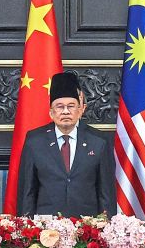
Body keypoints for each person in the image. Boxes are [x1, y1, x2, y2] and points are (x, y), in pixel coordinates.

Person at [17, 72, 115, 217]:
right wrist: (26, 229)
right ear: (51, 112)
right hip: (46, 229)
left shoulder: (99, 141)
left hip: (87, 228)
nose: (65, 112)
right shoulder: (35, 141)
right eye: (59, 106)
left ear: (81, 110)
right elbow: (27, 192)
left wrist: (106, 229)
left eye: (71, 106)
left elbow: (106, 193)